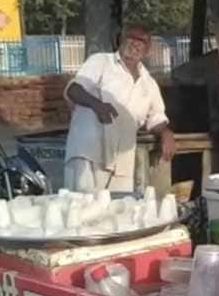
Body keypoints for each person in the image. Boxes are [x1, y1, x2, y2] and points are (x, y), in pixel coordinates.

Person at [63, 24, 176, 193]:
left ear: (148, 49)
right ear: (120, 40)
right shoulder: (101, 62)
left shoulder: (149, 83)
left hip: (122, 164)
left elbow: (156, 117)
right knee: (82, 211)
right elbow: (74, 90)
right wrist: (97, 105)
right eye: (131, 38)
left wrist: (166, 133)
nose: (135, 44)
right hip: (89, 154)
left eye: (142, 41)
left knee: (118, 213)